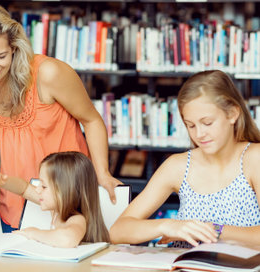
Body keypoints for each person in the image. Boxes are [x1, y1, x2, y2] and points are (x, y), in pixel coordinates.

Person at [0, 4, 121, 232]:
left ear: (14, 48)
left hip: (66, 196)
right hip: (14, 201)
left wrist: (103, 173)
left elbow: (92, 120)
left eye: (1, 56)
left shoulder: (48, 73)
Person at [110, 70, 260, 247]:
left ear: (233, 114)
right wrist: (167, 225)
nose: (199, 134)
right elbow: (117, 231)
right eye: (191, 125)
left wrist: (211, 230)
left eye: (207, 123)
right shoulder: (178, 166)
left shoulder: (253, 159)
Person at [0, 151, 110, 247]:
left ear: (66, 191)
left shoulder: (77, 218)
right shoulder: (56, 208)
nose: (38, 189)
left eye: (44, 186)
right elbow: (24, 188)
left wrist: (32, 233)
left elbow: (67, 240)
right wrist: (3, 181)